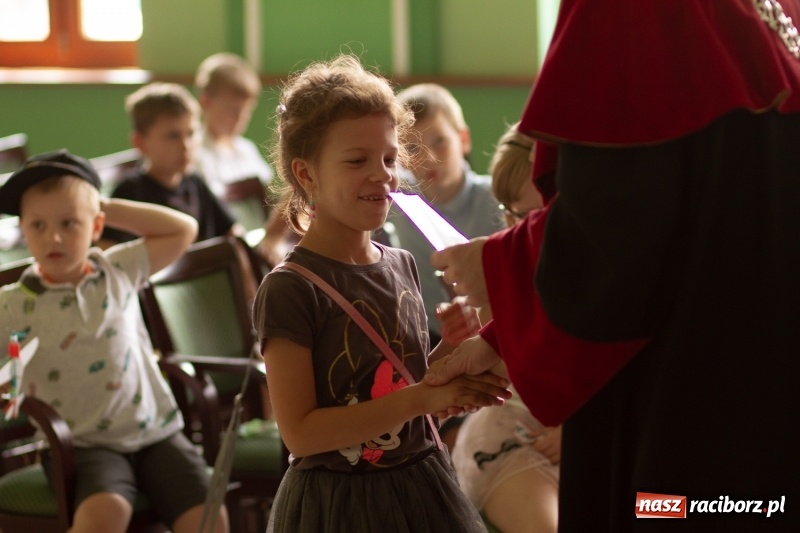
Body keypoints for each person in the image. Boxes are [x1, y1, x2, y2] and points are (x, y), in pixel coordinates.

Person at [426, 2, 800, 531]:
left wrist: (501, 266)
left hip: (683, 417)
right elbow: (691, 227)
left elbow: (617, 227)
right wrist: (500, 337)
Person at [251, 54, 510, 533]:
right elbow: (301, 433)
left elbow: (399, 381)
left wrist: (449, 351)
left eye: (390, 159)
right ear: (306, 174)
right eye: (357, 161)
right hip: (338, 505)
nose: (384, 175)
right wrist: (421, 400)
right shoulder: (289, 289)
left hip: (420, 485)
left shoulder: (401, 263)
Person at [0, 149, 228, 533]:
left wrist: (95, 201)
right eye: (37, 225)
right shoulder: (11, 303)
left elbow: (183, 229)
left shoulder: (118, 269)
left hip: (155, 431)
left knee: (209, 518)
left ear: (97, 226)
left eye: (70, 223)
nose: (53, 237)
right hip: (83, 445)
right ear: (23, 229)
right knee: (104, 517)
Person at [449, 123, 559, 533]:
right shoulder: (509, 269)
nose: (526, 232)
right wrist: (465, 342)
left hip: (587, 437)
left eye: (543, 218)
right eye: (518, 217)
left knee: (670, 509)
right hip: (510, 432)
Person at [385, 83, 505, 346]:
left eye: (439, 141)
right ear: (402, 157)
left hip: (495, 334)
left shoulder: (498, 198)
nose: (429, 158)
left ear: (463, 140)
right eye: (414, 149)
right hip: (424, 339)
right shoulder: (397, 197)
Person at [99, 82, 241, 247]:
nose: (185, 146)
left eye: (191, 133)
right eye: (173, 136)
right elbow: (108, 251)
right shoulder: (130, 192)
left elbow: (232, 231)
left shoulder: (195, 181)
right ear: (140, 143)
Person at [193, 52, 274, 198]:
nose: (239, 118)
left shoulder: (246, 149)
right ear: (206, 102)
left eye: (246, 111)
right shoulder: (194, 153)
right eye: (232, 110)